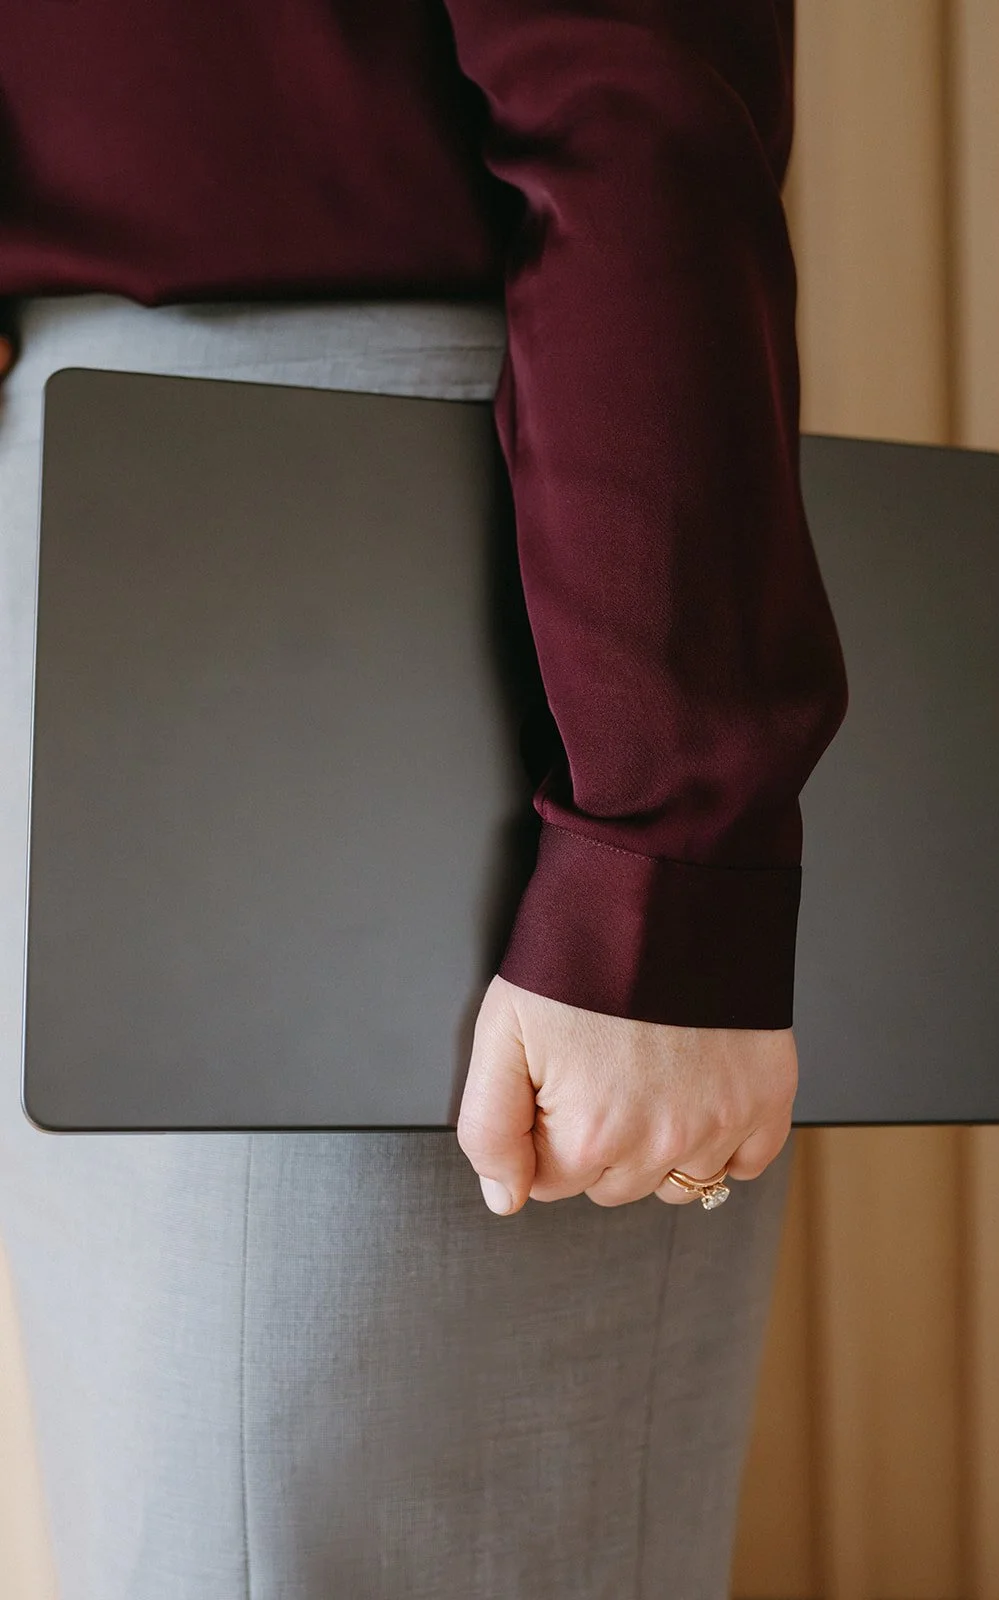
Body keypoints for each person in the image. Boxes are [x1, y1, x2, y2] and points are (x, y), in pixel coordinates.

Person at [0, 3, 848, 1596]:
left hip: (380, 531)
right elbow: (634, 92)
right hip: (179, 521)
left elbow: (628, 98)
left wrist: (658, 855)